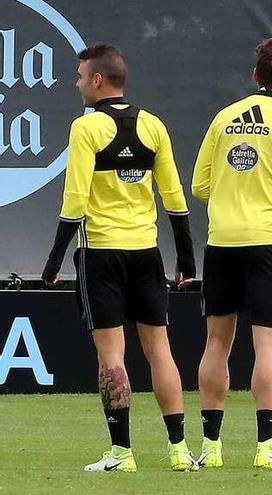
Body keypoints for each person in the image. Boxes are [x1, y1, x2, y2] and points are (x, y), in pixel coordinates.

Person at [41, 44, 198, 472]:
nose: (76, 84)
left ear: (97, 80)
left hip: (101, 256)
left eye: (78, 77)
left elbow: (74, 202)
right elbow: (175, 199)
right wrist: (186, 259)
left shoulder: (85, 129)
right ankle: (180, 451)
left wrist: (53, 263)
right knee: (160, 351)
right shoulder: (154, 126)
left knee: (111, 357)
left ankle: (122, 453)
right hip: (146, 254)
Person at [191, 38, 272, 470]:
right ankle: (267, 447)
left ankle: (210, 447)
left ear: (255, 75)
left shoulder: (224, 117)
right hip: (267, 242)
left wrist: (234, 195)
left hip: (222, 241)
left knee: (217, 342)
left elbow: (200, 186)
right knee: (268, 345)